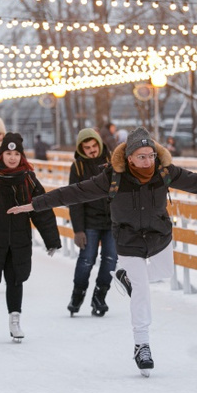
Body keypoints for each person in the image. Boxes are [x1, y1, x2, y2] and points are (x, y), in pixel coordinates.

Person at [8, 127, 197, 374]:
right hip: (128, 240)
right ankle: (142, 345)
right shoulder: (113, 177)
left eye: (151, 155)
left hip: (159, 237)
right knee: (141, 290)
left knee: (164, 271)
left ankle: (125, 276)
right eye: (141, 157)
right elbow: (73, 193)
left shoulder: (165, 172)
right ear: (129, 157)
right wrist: (34, 205)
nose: (147, 161)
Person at [0, 132, 61, 341]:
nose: (13, 157)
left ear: (22, 156)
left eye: (16, 153)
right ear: (1, 155)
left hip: (18, 240)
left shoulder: (29, 180)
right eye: (8, 153)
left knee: (16, 280)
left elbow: (41, 210)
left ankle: (14, 320)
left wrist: (51, 239)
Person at [66, 128, 117, 317]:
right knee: (86, 260)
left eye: (94, 145)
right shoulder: (78, 167)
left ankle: (100, 296)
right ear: (81, 149)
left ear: (99, 143)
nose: (92, 150)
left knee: (111, 260)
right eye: (87, 147)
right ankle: (77, 295)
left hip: (113, 221)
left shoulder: (113, 161)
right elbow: (74, 200)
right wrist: (78, 230)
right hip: (89, 222)